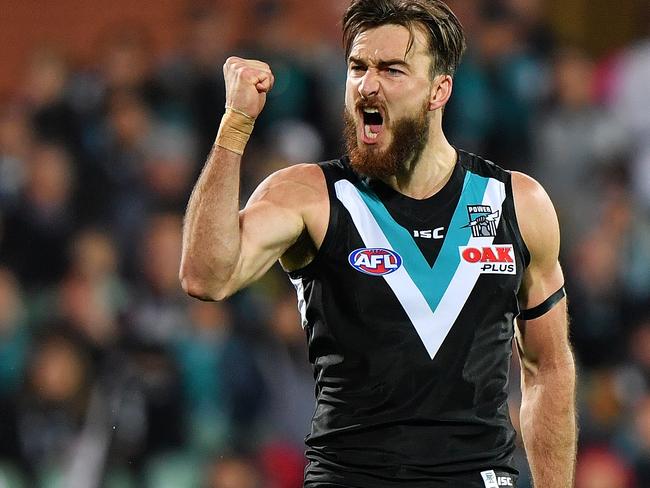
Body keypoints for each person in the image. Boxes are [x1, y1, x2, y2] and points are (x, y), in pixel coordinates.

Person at [179, 0, 577, 486]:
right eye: (357, 67)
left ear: (439, 90)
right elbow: (205, 275)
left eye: (392, 70)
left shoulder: (517, 203)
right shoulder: (310, 196)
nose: (367, 85)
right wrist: (235, 126)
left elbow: (549, 369)